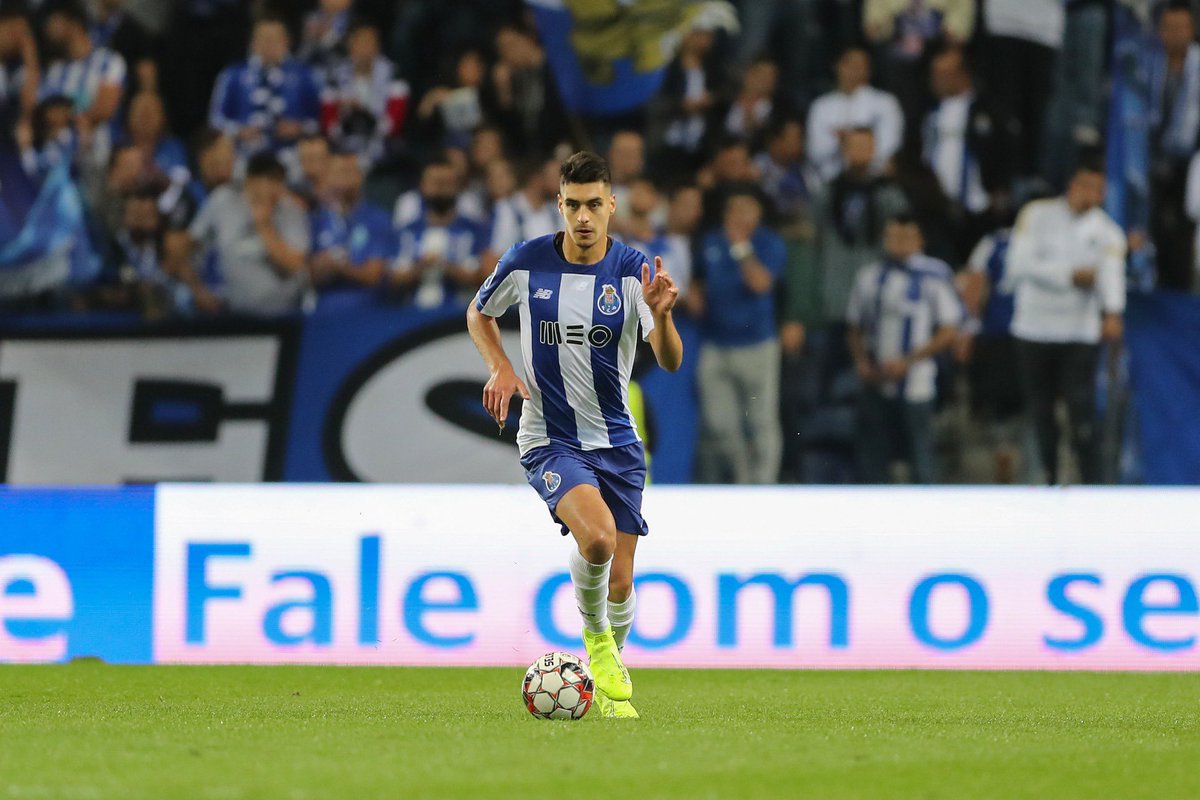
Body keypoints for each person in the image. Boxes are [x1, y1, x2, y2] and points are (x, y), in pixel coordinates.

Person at [465, 151, 683, 720]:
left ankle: (608, 686)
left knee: (623, 581)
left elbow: (670, 361)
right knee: (599, 541)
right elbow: (478, 311)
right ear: (558, 205)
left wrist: (661, 317)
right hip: (550, 437)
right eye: (572, 205)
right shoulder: (526, 262)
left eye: (594, 205)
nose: (583, 217)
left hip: (618, 443)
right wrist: (501, 367)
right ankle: (595, 642)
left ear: (612, 206)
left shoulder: (635, 271)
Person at [1003, 161, 1126, 485]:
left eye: (1099, 190)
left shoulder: (1108, 231)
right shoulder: (1036, 214)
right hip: (1033, 327)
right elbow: (1017, 265)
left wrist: (1112, 313)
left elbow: (1111, 276)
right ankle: (1047, 478)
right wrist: (1068, 275)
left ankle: (1093, 485)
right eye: (1086, 186)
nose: (1092, 195)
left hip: (1078, 332)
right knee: (1041, 410)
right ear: (1071, 185)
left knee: (1081, 409)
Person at [847, 213, 961, 483]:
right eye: (892, 236)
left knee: (920, 451)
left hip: (916, 380)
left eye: (905, 236)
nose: (898, 242)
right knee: (873, 454)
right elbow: (854, 326)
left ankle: (924, 511)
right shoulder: (870, 275)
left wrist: (908, 362)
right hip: (875, 378)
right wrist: (861, 362)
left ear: (919, 239)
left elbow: (948, 329)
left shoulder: (934, 274)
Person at [694, 189, 786, 484]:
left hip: (757, 345)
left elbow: (760, 283)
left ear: (758, 215)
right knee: (720, 423)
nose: (741, 217)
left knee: (761, 421)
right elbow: (698, 280)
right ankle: (743, 483)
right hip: (716, 343)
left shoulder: (769, 243)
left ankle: (765, 483)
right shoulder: (710, 241)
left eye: (748, 210)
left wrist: (742, 248)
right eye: (735, 209)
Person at [187, 151, 311, 316]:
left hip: (284, 314)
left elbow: (294, 264)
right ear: (250, 182)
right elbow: (186, 247)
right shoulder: (223, 201)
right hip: (231, 313)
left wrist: (264, 226)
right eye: (269, 180)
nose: (276, 189)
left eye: (279, 181)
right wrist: (198, 290)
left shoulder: (291, 210)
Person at [207, 14, 321, 162]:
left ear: (287, 41)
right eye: (263, 38)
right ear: (253, 42)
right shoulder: (232, 75)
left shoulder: (306, 76)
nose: (268, 44)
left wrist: (299, 128)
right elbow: (215, 120)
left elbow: (320, 120)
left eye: (274, 39)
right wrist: (238, 131)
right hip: (243, 155)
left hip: (294, 156)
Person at [309, 150, 392, 310]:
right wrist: (321, 268)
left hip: (366, 310)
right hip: (325, 312)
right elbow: (310, 275)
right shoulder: (319, 220)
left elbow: (374, 276)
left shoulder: (377, 218)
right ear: (328, 177)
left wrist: (339, 267)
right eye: (337, 172)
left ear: (361, 177)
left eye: (348, 172)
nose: (342, 178)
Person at [806, 47, 904, 181]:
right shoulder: (821, 106)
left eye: (860, 65)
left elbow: (889, 146)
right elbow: (816, 151)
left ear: (869, 70)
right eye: (849, 64)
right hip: (830, 180)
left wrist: (846, 140)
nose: (854, 70)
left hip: (873, 179)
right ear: (837, 66)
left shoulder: (885, 102)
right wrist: (853, 143)